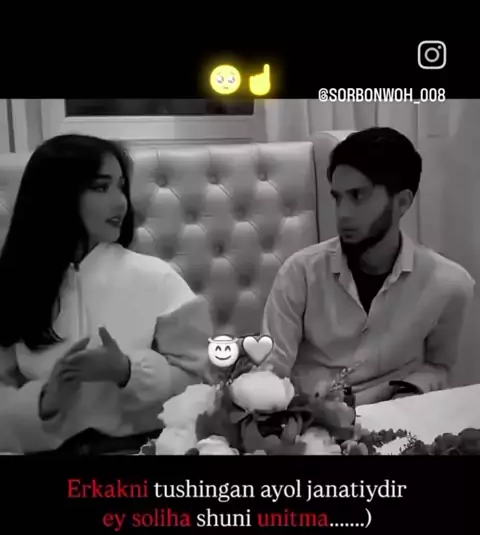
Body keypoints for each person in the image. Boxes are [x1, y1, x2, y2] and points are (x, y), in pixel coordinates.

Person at [0, 134, 212, 454]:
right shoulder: (12, 284)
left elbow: (202, 385)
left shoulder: (158, 279)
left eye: (121, 187)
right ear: (57, 194)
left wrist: (128, 371)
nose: (120, 202)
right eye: (101, 187)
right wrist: (44, 400)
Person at [263, 127, 475, 406]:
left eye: (358, 196)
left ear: (402, 202)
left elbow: (439, 367)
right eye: (338, 198)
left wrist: (407, 391)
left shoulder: (450, 284)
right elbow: (270, 370)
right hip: (312, 417)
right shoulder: (300, 273)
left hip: (398, 415)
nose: (343, 214)